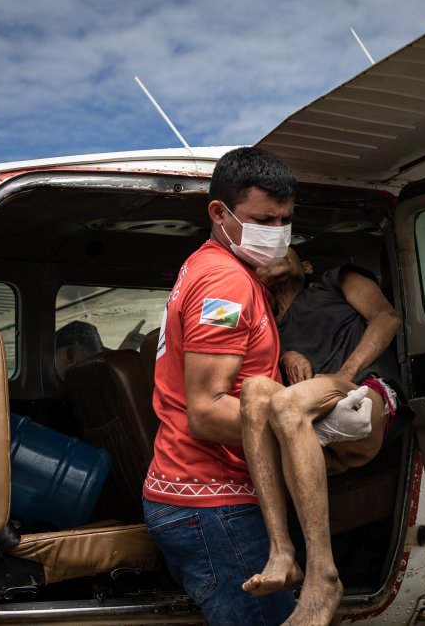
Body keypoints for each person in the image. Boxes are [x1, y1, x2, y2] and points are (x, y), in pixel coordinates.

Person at [141, 147, 372, 626]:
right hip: (212, 502)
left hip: (202, 496)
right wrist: (312, 433)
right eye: (264, 219)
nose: (277, 232)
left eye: (286, 219)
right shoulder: (225, 283)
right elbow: (205, 411)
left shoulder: (214, 268)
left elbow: (233, 369)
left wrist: (285, 358)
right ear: (219, 213)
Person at [238, 248, 402, 626]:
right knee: (255, 393)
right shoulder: (266, 323)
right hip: (313, 416)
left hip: (365, 394)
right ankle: (282, 553)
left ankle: (323, 576)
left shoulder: (334, 280)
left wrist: (345, 377)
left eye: (284, 248)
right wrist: (284, 356)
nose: (272, 254)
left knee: (285, 405)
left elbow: (386, 319)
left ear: (307, 265)